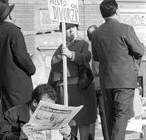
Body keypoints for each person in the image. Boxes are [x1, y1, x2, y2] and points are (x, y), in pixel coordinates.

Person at [91, 0, 145, 140]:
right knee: (121, 117)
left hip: (106, 81)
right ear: (117, 10)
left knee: (109, 119)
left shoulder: (96, 33)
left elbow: (96, 57)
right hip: (124, 81)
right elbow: (139, 51)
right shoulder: (125, 29)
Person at [48, 23, 97, 140]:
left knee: (83, 123)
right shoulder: (59, 48)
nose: (70, 31)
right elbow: (52, 72)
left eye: (73, 27)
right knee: (69, 126)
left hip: (80, 90)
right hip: (62, 91)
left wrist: (71, 55)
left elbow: (86, 57)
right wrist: (49, 92)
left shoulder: (84, 44)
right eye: (67, 28)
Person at [0, 1, 36, 113]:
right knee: (22, 119)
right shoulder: (14, 31)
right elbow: (22, 56)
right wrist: (32, 69)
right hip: (19, 86)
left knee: (10, 119)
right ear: (10, 15)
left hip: (4, 86)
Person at [0, 84, 77, 140]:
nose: (49, 110)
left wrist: (69, 136)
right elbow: (2, 137)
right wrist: (20, 136)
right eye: (46, 106)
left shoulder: (56, 115)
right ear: (35, 103)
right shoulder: (13, 114)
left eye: (52, 106)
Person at [87, 25, 109, 140]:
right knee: (104, 116)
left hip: (90, 86)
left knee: (91, 118)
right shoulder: (102, 46)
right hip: (101, 85)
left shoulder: (85, 47)